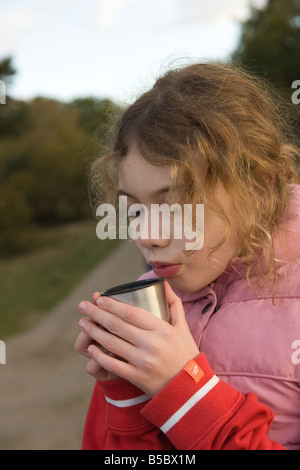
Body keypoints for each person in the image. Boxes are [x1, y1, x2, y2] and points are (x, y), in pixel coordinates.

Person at [74, 62, 300, 450]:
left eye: (176, 206)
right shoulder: (147, 306)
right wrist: (127, 395)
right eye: (135, 211)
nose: (146, 236)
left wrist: (186, 393)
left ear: (259, 191)